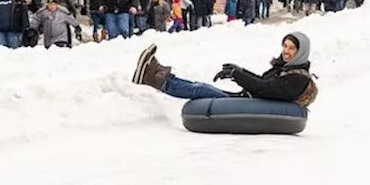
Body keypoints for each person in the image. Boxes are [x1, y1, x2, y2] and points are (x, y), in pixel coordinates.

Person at [131, 32, 318, 108]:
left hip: (253, 105)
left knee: (201, 90)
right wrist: (239, 70)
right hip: (249, 100)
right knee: (200, 86)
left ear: (301, 52)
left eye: (291, 48)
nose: (286, 51)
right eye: (285, 46)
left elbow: (265, 89)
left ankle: (156, 79)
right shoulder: (286, 70)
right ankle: (159, 76)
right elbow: (263, 83)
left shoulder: (297, 78)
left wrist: (237, 76)